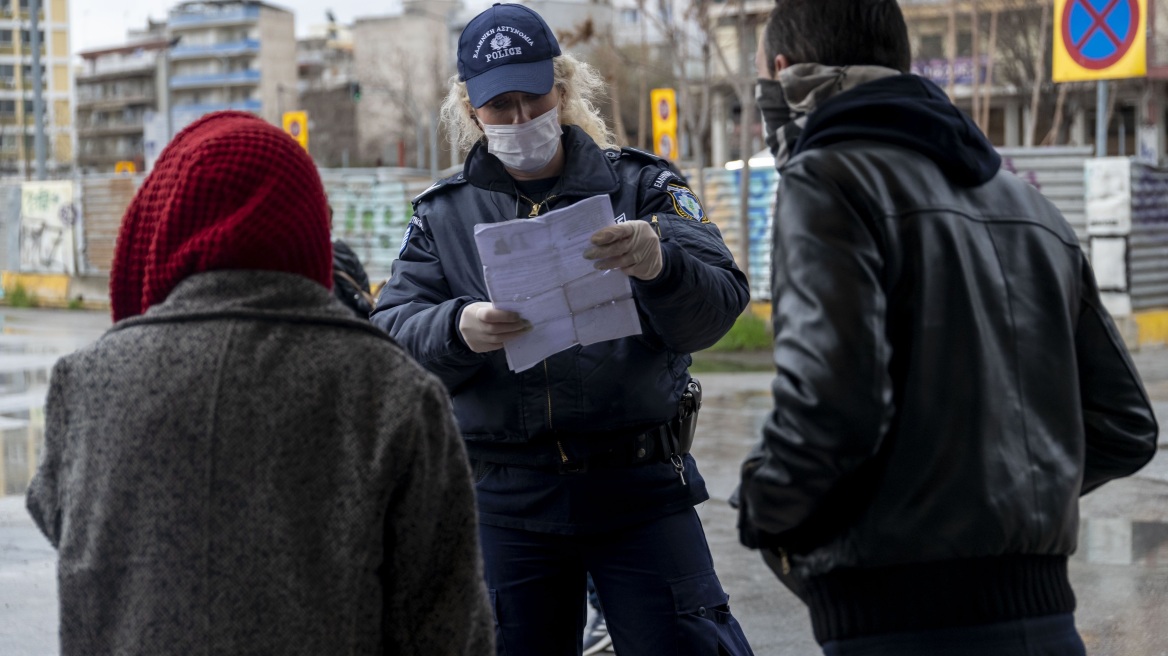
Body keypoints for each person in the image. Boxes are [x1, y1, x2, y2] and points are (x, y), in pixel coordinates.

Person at [737, 2, 1160, 656]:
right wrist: (998, 495)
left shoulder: (825, 177)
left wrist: (762, 508)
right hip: (1048, 622)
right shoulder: (1030, 204)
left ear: (785, 75)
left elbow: (832, 409)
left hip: (900, 626)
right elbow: (1125, 425)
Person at [25, 111, 494, 656]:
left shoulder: (88, 382)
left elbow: (60, 520)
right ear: (309, 231)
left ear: (164, 227)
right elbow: (448, 626)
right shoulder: (392, 390)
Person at [370, 4, 754, 655]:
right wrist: (456, 327)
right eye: (501, 106)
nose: (522, 119)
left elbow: (719, 307)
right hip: (506, 500)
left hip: (638, 488)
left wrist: (663, 264)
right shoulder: (444, 217)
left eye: (534, 97)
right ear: (471, 112)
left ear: (564, 87)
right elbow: (391, 343)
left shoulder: (645, 189)